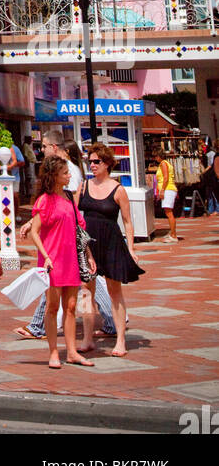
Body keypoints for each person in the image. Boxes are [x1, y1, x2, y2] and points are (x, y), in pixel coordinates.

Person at [15, 129, 116, 341]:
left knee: (78, 284)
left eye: (43, 146)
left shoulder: (67, 173)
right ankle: (109, 320)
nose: (41, 150)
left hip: (72, 236)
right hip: (69, 236)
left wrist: (35, 221)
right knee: (80, 283)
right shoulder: (67, 171)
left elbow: (64, 204)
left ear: (54, 147)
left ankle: (43, 327)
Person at [30, 154, 96, 369]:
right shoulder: (44, 200)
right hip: (52, 259)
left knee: (71, 305)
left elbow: (80, 229)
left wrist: (88, 254)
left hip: (70, 258)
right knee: (52, 306)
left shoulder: (69, 197)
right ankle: (53, 352)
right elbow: (35, 232)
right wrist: (46, 256)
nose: (69, 175)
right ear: (54, 176)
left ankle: (72, 352)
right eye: (65, 173)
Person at [78, 143, 143, 357]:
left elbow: (127, 221)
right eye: (90, 160)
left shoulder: (118, 189)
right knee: (87, 291)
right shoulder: (83, 187)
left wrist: (131, 248)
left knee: (115, 291)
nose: (92, 164)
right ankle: (87, 338)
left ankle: (121, 340)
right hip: (89, 244)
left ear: (107, 164)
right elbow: (75, 216)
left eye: (96, 161)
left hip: (111, 242)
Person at [152, 155, 181, 242]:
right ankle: (172, 233)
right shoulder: (167, 163)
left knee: (169, 212)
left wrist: (162, 190)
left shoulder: (163, 163)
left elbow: (166, 177)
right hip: (169, 189)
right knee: (168, 212)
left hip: (168, 189)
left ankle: (174, 235)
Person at [204, 148, 219, 215]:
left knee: (213, 195)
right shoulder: (217, 156)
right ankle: (214, 209)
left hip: (213, 178)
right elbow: (216, 168)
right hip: (214, 179)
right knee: (213, 194)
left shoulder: (214, 155)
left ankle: (214, 209)